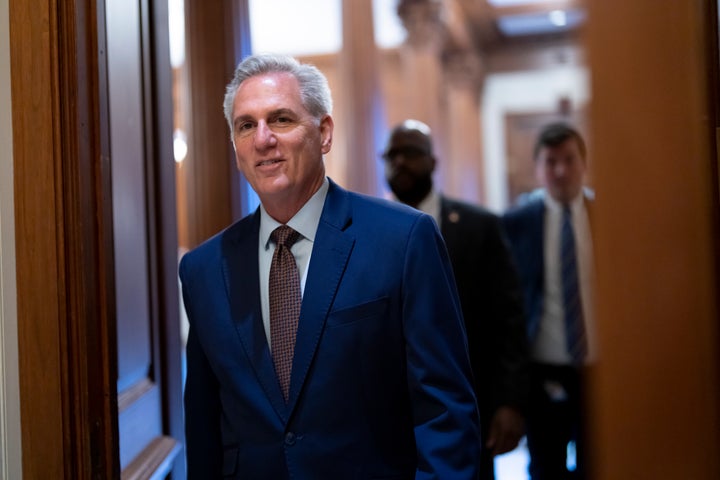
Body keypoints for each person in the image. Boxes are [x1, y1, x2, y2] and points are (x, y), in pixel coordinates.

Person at [179, 53, 482, 479]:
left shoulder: (403, 240)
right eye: (246, 125)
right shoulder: (203, 269)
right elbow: (205, 426)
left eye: (281, 119)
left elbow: (445, 413)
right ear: (235, 146)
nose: (263, 139)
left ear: (323, 133)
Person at [382, 119, 530, 480]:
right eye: (392, 155)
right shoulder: (367, 231)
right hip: (389, 414)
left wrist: (509, 402)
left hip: (467, 406)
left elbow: (508, 320)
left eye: (412, 153)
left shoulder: (480, 227)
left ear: (434, 161)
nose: (400, 162)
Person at [501, 122, 594, 480]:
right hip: (542, 374)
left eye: (569, 160)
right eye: (551, 161)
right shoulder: (516, 224)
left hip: (601, 371)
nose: (560, 170)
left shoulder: (612, 219)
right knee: (544, 468)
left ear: (583, 163)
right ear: (538, 168)